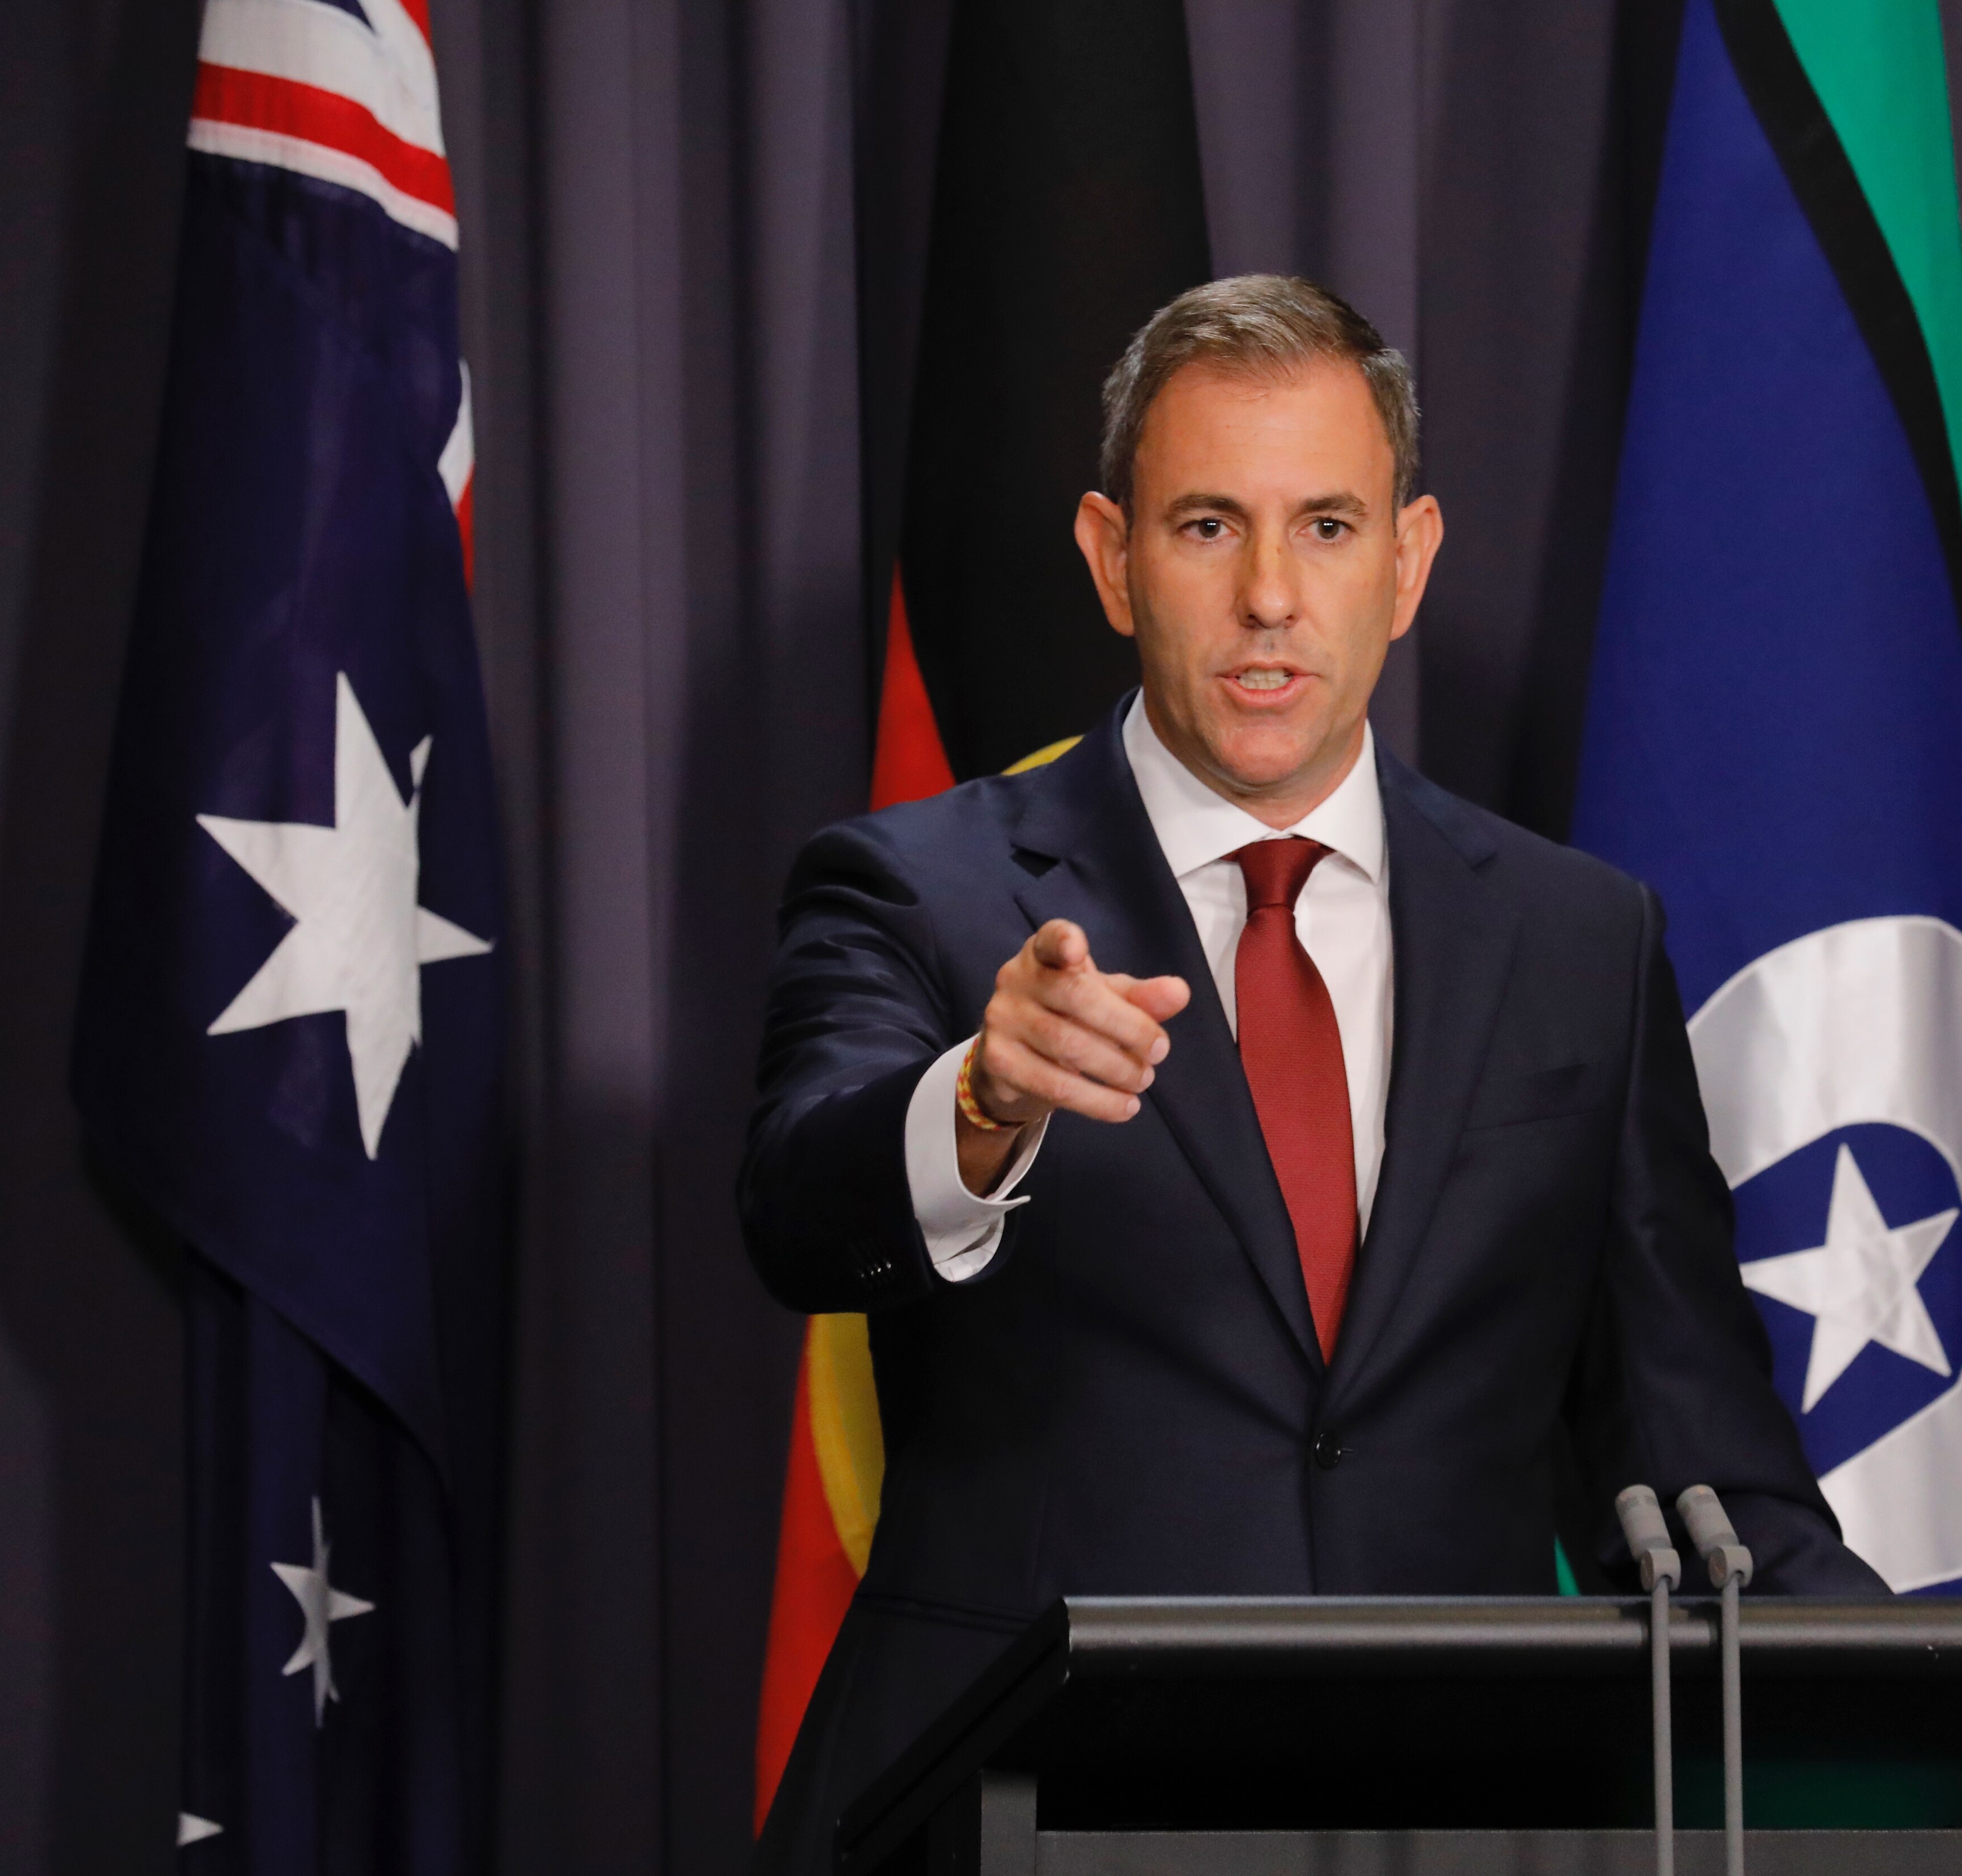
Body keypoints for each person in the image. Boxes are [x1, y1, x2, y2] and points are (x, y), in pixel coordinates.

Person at [739, 274, 1885, 1869]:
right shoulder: (921, 891)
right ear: (1110, 559)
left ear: (1408, 561)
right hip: (1013, 1815)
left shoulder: (1578, 938)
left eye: (1328, 528)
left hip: (1456, 1826)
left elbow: (1698, 1463)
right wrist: (982, 1104)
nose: (1272, 594)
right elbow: (799, 1205)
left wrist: (1951, 1747)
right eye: (1209, 526)